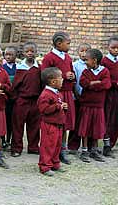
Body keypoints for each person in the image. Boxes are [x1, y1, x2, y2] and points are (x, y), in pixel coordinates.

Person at [41, 31, 75, 165]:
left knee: (65, 122)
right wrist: (62, 77)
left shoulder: (68, 57)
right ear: (59, 44)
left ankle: (63, 149)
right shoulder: (49, 58)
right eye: (68, 43)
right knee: (56, 122)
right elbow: (44, 75)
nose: (69, 46)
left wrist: (72, 76)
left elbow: (70, 71)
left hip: (67, 93)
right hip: (55, 94)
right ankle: (53, 150)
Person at [78, 49, 111, 163]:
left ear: (95, 60)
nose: (85, 61)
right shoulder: (85, 72)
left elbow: (107, 84)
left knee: (96, 128)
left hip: (98, 106)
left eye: (87, 59)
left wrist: (93, 83)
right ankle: (84, 150)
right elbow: (83, 83)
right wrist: (96, 83)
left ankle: (94, 150)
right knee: (85, 129)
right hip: (87, 105)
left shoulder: (105, 71)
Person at [11, 42, 41, 157]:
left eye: (32, 51)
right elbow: (14, 86)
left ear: (36, 53)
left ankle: (33, 147)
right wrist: (16, 99)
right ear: (23, 53)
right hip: (21, 100)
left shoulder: (38, 68)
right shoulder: (19, 67)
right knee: (18, 125)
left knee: (34, 125)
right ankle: (16, 148)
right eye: (27, 51)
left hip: (35, 100)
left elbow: (41, 84)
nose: (30, 53)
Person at [38, 67, 67, 176]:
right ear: (53, 81)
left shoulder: (58, 93)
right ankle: (45, 166)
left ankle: (55, 163)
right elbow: (44, 109)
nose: (63, 80)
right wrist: (57, 106)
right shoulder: (45, 94)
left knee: (57, 145)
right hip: (49, 125)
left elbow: (58, 106)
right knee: (48, 146)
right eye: (61, 78)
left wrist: (63, 107)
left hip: (58, 124)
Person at [68, 43, 92, 153]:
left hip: (89, 99)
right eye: (81, 51)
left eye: (86, 51)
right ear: (77, 52)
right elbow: (73, 82)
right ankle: (73, 146)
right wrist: (76, 94)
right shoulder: (75, 65)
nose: (84, 54)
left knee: (87, 122)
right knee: (76, 122)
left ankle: (89, 146)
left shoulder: (92, 65)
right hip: (77, 97)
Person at [101, 35, 118, 157]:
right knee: (109, 118)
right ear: (108, 48)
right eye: (113, 48)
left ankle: (113, 141)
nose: (116, 50)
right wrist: (114, 83)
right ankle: (107, 145)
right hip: (109, 94)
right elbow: (103, 78)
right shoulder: (104, 61)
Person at [2, 46, 17, 148]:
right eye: (6, 54)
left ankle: (9, 140)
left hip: (15, 98)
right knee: (3, 119)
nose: (8, 57)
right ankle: (2, 140)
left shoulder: (18, 68)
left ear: (16, 56)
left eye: (11, 55)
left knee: (12, 120)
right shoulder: (2, 68)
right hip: (4, 98)